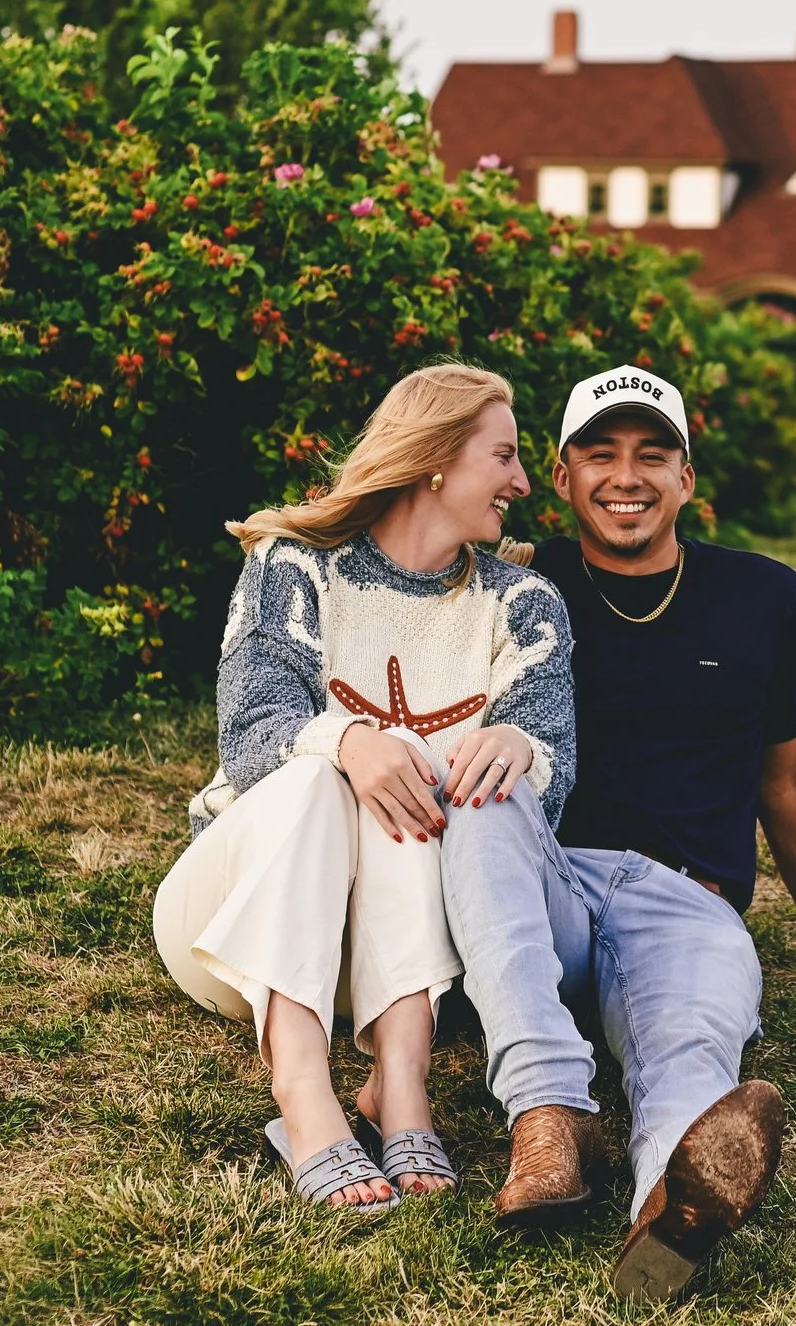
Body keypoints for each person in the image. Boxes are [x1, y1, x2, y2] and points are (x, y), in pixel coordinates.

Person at [441, 364, 796, 1301]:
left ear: (686, 479)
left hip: (688, 903)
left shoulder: (761, 595)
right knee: (487, 778)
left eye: (652, 456)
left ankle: (670, 1209)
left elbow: (784, 776)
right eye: (601, 455)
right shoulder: (514, 582)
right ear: (561, 476)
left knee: (689, 1046)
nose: (626, 477)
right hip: (547, 886)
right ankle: (548, 1119)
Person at [151, 364, 575, 1213]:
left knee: (419, 775)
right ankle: (304, 1096)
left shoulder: (523, 605)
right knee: (329, 776)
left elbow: (544, 795)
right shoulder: (297, 566)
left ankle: (400, 1086)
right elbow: (249, 736)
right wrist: (350, 742)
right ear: (435, 460)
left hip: (406, 962)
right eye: (505, 456)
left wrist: (516, 748)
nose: (524, 483)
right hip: (238, 933)